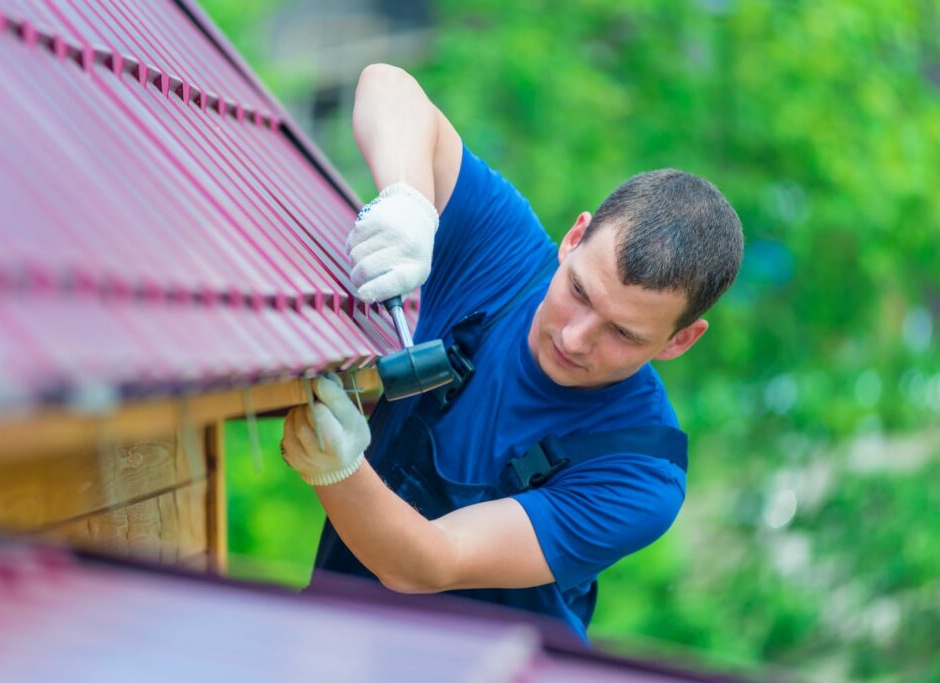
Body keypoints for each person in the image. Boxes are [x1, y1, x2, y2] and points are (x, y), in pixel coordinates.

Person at [280, 63, 744, 642]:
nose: (575, 338)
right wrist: (408, 199)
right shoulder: (500, 257)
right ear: (573, 239)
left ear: (680, 339)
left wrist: (337, 468)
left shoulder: (641, 471)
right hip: (337, 641)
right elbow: (386, 85)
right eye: (578, 292)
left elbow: (429, 561)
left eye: (622, 334)